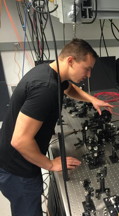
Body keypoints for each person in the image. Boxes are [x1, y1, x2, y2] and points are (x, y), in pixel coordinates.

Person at [0, 38, 113, 216]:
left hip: (14, 162)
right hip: (17, 170)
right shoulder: (45, 88)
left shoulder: (49, 71)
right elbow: (20, 141)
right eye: (87, 68)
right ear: (70, 61)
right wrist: (50, 164)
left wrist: (92, 100)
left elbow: (68, 88)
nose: (89, 74)